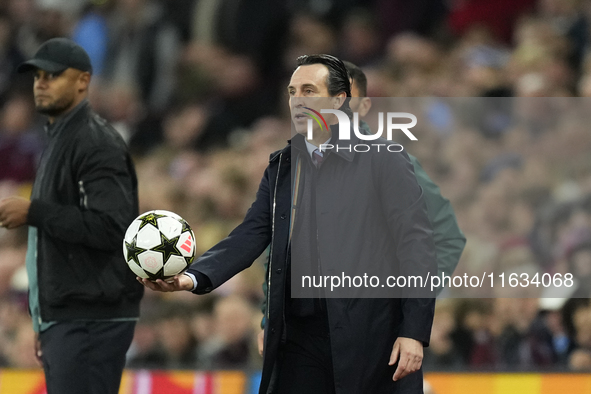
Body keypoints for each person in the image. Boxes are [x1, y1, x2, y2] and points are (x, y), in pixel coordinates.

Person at [140, 54, 436, 394]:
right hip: (298, 337)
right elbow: (251, 234)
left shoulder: (384, 160)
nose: (298, 100)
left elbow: (417, 247)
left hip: (370, 334)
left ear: (339, 100)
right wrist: (192, 277)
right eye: (293, 91)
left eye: (309, 90)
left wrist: (413, 331)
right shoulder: (282, 166)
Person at [0, 38, 143, 394]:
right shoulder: (60, 138)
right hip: (70, 316)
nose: (41, 83)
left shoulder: (95, 142)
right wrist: (43, 317)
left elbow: (113, 227)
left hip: (92, 319)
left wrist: (34, 211)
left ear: (83, 80)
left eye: (52, 75)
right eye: (36, 77)